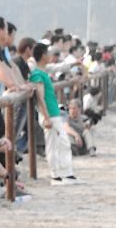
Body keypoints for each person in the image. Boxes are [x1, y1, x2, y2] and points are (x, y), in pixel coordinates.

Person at [30, 43, 82, 185]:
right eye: (47, 53)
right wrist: (46, 117)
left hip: (54, 112)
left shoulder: (43, 71)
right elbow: (40, 97)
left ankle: (66, 173)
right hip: (49, 114)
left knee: (62, 143)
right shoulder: (36, 74)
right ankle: (55, 175)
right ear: (42, 56)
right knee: (53, 144)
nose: (50, 56)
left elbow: (58, 67)